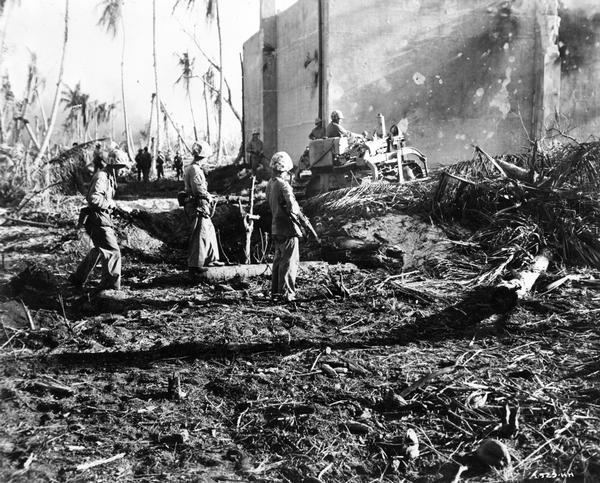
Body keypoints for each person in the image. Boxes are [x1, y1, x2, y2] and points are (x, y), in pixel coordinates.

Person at [68, 154, 125, 293]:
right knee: (113, 252)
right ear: (113, 166)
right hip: (98, 220)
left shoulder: (109, 177)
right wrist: (110, 205)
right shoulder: (102, 177)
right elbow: (93, 198)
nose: (122, 171)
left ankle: (77, 278)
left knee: (100, 250)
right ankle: (109, 288)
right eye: (120, 167)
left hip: (100, 218)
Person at [266, 151, 315, 302]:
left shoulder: (270, 183)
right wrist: (302, 223)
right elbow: (293, 208)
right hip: (288, 228)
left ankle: (276, 292)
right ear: (285, 170)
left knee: (278, 261)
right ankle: (287, 294)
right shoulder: (284, 185)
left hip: (276, 227)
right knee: (289, 262)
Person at [183, 141, 223, 277]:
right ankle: (195, 264)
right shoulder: (195, 169)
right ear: (203, 156)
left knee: (209, 230)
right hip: (197, 205)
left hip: (199, 204)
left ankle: (212, 259)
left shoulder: (192, 167)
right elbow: (198, 189)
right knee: (200, 233)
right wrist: (208, 196)